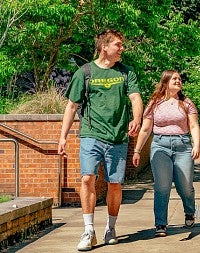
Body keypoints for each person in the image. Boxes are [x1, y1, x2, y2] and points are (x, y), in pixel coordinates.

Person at [58, 29, 143, 251]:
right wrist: (62, 137)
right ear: (104, 47)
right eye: (118, 44)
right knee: (87, 178)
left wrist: (136, 118)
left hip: (117, 137)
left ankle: (111, 227)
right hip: (90, 134)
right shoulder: (84, 73)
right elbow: (71, 106)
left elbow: (135, 97)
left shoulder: (126, 72)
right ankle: (88, 230)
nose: (122, 48)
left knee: (114, 184)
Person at [132, 70, 200, 237]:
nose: (178, 81)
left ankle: (189, 212)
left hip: (183, 146)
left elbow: (193, 125)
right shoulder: (154, 103)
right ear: (166, 82)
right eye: (174, 78)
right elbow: (146, 129)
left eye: (179, 79)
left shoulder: (186, 103)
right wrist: (137, 150)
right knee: (162, 187)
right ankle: (160, 224)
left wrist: (196, 144)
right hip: (160, 146)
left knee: (185, 187)